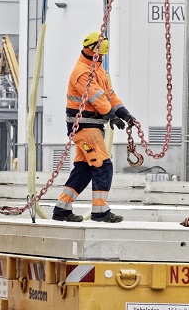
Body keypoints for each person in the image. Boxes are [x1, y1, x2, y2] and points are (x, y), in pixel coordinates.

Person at [53, 31, 136, 223]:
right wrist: (111, 116)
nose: (102, 58)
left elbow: (110, 95)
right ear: (95, 52)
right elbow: (96, 97)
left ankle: (62, 209)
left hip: (93, 126)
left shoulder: (98, 71)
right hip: (85, 126)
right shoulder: (82, 72)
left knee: (83, 169)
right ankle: (100, 211)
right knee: (103, 166)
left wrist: (124, 113)